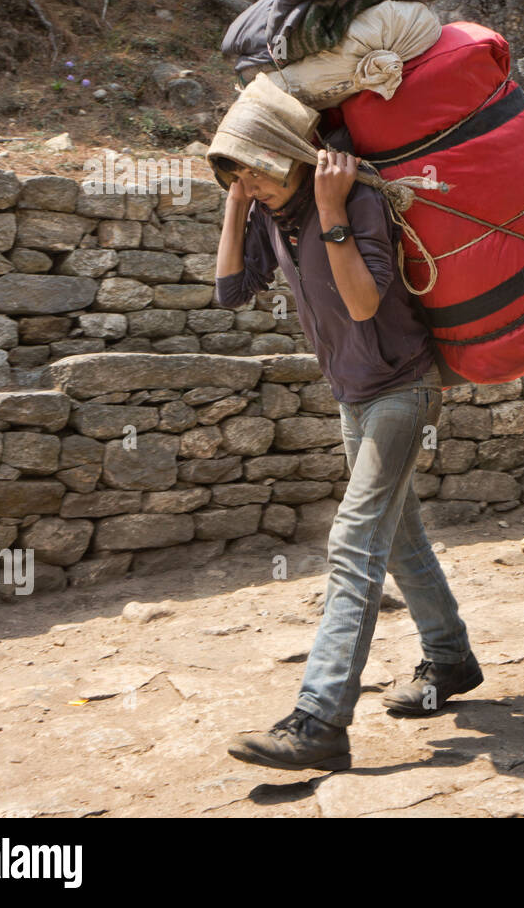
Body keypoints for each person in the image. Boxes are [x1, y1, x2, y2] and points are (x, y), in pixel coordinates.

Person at [214, 145, 481, 773]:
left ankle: (321, 719)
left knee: (355, 539)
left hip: (404, 389)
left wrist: (331, 208)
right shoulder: (271, 216)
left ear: (297, 158)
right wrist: (236, 201)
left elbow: (362, 303)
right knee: (398, 540)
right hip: (351, 397)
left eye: (260, 167)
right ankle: (450, 659)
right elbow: (230, 291)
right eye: (239, 172)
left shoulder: (358, 201)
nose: (254, 181)